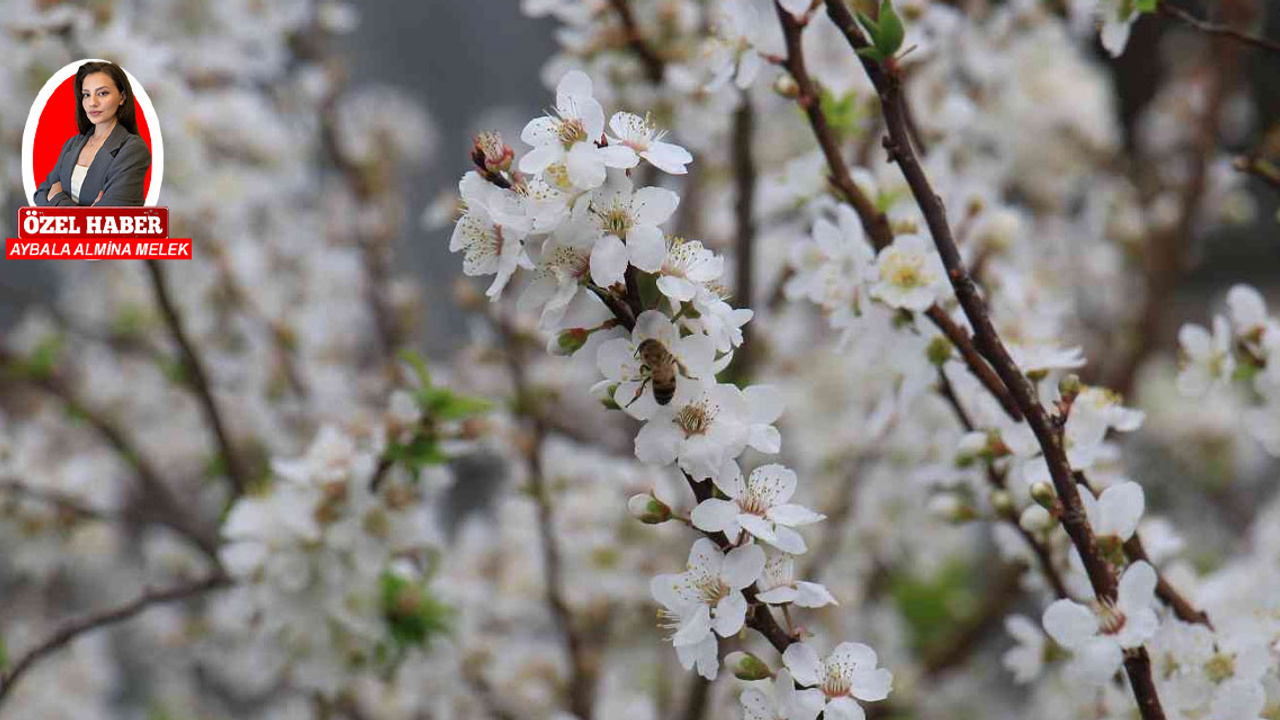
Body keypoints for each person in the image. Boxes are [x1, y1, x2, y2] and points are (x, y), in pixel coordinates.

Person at [32, 61, 152, 207]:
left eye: (102, 93)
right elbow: (41, 194)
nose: (92, 103)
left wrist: (57, 197)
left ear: (122, 97)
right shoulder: (73, 143)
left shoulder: (133, 149)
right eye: (86, 95)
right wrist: (89, 211)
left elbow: (107, 220)